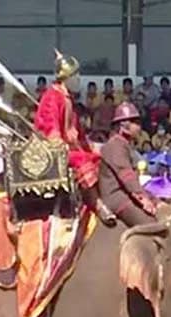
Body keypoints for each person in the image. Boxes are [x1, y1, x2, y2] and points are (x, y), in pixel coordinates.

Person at [33, 50, 113, 224]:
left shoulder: (67, 98)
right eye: (75, 75)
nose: (79, 79)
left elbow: (79, 134)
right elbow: (50, 131)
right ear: (65, 78)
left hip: (70, 148)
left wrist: (96, 147)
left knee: (103, 156)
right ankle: (96, 204)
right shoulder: (52, 98)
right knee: (83, 161)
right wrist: (68, 147)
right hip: (52, 152)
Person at [97, 102, 156, 226]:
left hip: (126, 194)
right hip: (117, 197)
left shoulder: (124, 144)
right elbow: (126, 175)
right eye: (136, 122)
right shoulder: (115, 145)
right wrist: (143, 198)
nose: (139, 127)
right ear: (124, 125)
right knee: (151, 225)